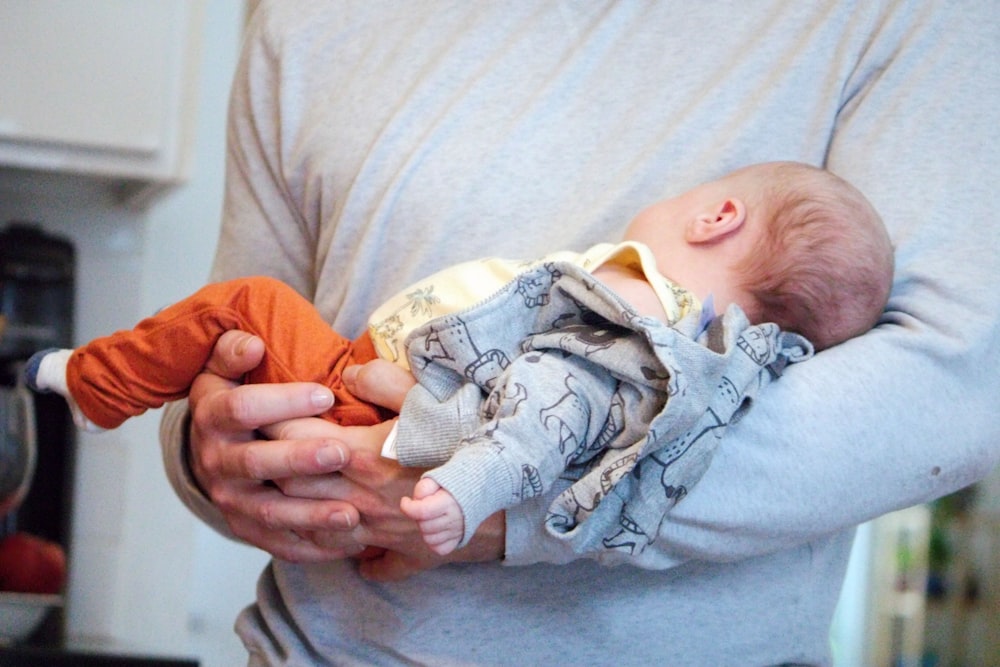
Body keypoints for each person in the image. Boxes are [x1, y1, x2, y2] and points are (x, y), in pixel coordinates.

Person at [159, 3, 1000, 665]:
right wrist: (214, 459)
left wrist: (514, 504)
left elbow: (957, 386)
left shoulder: (909, 16)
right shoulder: (304, 20)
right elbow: (224, 354)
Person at [27, 162, 888, 555]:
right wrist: (203, 451)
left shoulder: (631, 296)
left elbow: (540, 423)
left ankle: (93, 385)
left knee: (247, 307)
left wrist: (454, 486)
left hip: (369, 414)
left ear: (717, 216)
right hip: (364, 471)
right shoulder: (688, 363)